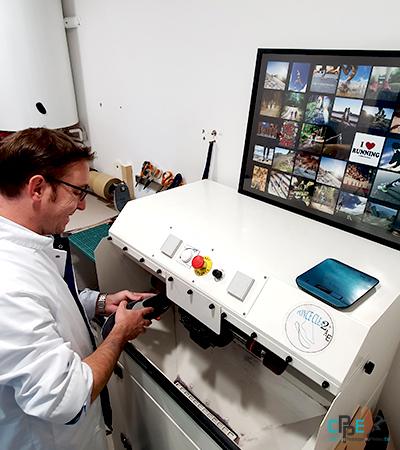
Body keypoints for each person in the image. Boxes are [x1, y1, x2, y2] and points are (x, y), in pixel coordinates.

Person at [0, 128, 156, 450]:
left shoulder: (24, 243)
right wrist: (118, 335)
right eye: (78, 191)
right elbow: (65, 397)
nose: (83, 206)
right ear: (38, 188)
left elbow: (48, 305)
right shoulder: (9, 285)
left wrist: (98, 303)